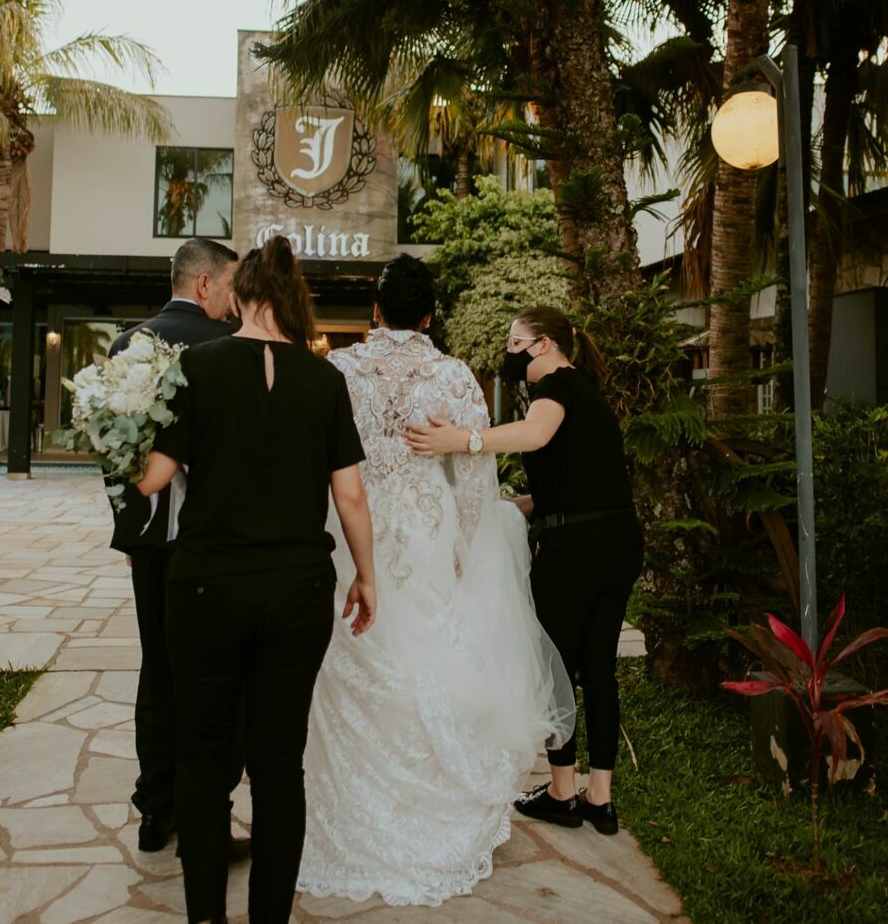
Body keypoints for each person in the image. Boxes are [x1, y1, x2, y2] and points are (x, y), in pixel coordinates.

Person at [297, 256, 573, 906]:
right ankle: (431, 800)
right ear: (428, 315)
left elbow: (319, 458)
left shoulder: (340, 367)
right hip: (425, 533)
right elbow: (475, 475)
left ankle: (356, 805)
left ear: (375, 309)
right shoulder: (452, 375)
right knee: (428, 656)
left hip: (354, 528)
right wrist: (465, 545)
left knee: (359, 654)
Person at [136, 236, 379, 924]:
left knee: (203, 760)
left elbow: (153, 478)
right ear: (294, 301)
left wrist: (123, 441)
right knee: (279, 766)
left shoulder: (198, 368)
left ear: (237, 296)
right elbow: (351, 498)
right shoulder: (325, 381)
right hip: (298, 589)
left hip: (207, 588)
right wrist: (365, 576)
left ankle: (206, 918)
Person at [406, 305, 643, 835]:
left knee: (551, 665)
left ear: (544, 346)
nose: (508, 350)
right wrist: (519, 506)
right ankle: (599, 797)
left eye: (516, 341)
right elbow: (579, 479)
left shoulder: (554, 387)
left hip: (575, 551)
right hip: (617, 541)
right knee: (599, 670)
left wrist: (462, 441)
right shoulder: (586, 392)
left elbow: (535, 436)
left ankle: (562, 791)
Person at [108, 237, 240, 854]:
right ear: (207, 284)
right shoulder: (226, 347)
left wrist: (131, 530)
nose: (234, 300)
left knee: (158, 667)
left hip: (153, 543)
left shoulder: (127, 345)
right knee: (214, 672)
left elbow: (114, 454)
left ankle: (155, 809)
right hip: (213, 540)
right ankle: (204, 810)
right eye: (232, 286)